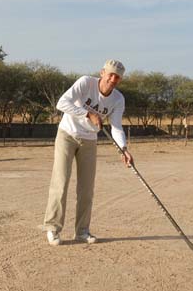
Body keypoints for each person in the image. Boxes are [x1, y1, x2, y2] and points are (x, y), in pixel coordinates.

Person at [42, 59, 134, 246]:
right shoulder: (85, 83)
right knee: (60, 182)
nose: (113, 79)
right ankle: (53, 228)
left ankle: (82, 231)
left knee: (86, 189)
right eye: (110, 75)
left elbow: (116, 127)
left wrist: (123, 149)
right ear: (102, 73)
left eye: (117, 77)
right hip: (67, 134)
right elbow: (62, 103)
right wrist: (88, 114)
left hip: (90, 140)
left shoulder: (118, 99)